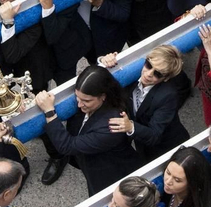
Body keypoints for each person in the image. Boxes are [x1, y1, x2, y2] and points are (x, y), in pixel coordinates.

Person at [37, 67, 145, 198]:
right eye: (77, 98)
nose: (79, 105)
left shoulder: (111, 126)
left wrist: (49, 111)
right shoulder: (93, 103)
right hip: (94, 165)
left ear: (103, 97)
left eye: (86, 101)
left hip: (112, 176)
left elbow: (67, 146)